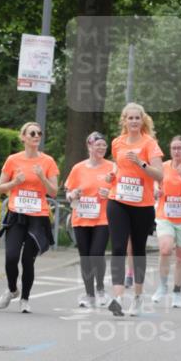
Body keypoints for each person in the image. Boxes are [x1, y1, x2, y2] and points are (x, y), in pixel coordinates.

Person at [105, 103, 163, 317]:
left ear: (143, 120)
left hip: (142, 204)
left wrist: (141, 163)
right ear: (124, 121)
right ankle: (118, 297)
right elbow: (117, 166)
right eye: (130, 118)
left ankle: (138, 297)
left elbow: (160, 175)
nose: (134, 121)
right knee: (118, 247)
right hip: (118, 200)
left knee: (138, 250)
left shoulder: (150, 144)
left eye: (137, 118)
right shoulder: (117, 143)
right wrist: (112, 175)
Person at [0, 122, 59, 313]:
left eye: (39, 133)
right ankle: (12, 289)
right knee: (11, 256)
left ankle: (25, 299)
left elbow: (53, 192)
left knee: (27, 260)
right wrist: (15, 182)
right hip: (17, 214)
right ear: (23, 137)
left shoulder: (48, 162)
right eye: (32, 133)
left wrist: (42, 177)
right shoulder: (13, 160)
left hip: (38, 217)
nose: (36, 136)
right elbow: (0, 187)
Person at [64, 131, 113, 309]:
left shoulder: (112, 167)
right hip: (81, 216)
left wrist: (111, 193)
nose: (101, 148)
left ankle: (100, 289)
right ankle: (89, 294)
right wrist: (72, 194)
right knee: (85, 256)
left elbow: (120, 191)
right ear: (89, 146)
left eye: (104, 145)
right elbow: (69, 193)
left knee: (96, 253)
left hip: (103, 218)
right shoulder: (78, 168)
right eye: (98, 145)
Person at [151, 136, 181, 308]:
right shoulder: (162, 167)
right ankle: (163, 286)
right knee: (165, 249)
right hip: (165, 216)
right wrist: (156, 191)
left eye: (180, 148)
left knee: (180, 259)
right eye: (174, 148)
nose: (177, 151)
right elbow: (154, 185)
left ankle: (177, 291)